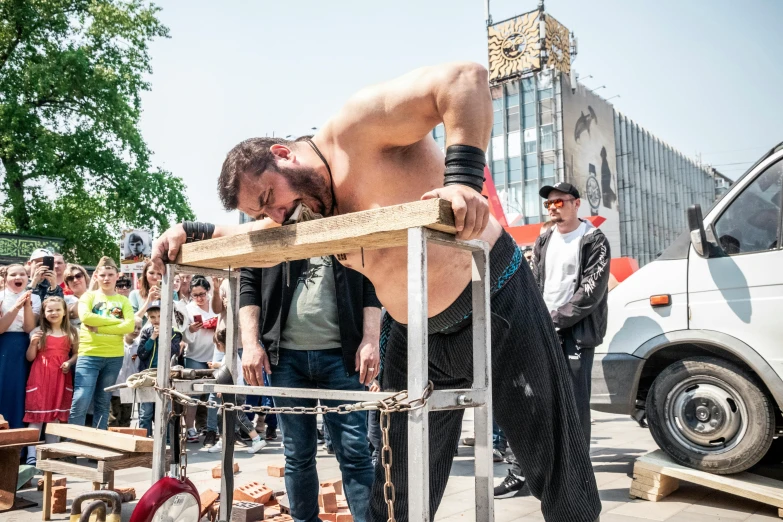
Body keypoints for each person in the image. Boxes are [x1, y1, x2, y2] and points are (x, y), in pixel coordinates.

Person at [152, 62, 601, 522]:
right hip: (412, 330)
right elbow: (259, 240)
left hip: (493, 296)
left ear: (283, 154)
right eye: (265, 209)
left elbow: (465, 79)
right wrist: (192, 231)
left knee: (555, 462)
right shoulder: (305, 208)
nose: (278, 213)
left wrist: (463, 184)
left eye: (269, 197)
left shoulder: (356, 127)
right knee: (396, 493)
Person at [238, 249, 380, 522]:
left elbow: (370, 277)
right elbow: (249, 279)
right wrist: (250, 342)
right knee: (297, 453)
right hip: (285, 356)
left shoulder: (343, 213)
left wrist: (371, 338)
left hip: (344, 353)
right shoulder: (274, 222)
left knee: (355, 452)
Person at [69, 256, 135, 430]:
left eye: (110, 274)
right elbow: (85, 317)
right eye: (103, 274)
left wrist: (100, 328)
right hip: (89, 354)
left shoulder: (123, 301)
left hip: (114, 356)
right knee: (81, 399)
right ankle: (71, 444)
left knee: (103, 402)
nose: (106, 278)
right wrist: (116, 323)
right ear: (96, 276)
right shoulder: (88, 297)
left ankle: (98, 443)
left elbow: (129, 325)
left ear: (117, 276)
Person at [24, 296, 79, 465]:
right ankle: (31, 456)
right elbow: (30, 357)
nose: (54, 313)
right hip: (40, 378)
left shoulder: (72, 332)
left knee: (54, 419)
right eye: (50, 310)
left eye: (57, 310)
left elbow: (77, 353)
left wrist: (69, 363)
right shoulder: (38, 332)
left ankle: (50, 456)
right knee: (36, 417)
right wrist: (33, 344)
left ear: (64, 312)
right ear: (44, 313)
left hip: (60, 379)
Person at [204, 328, 267, 454]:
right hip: (233, 390)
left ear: (220, 345)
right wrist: (217, 365)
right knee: (221, 415)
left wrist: (224, 389)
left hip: (234, 391)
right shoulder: (230, 355)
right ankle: (222, 440)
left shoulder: (229, 357)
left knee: (239, 416)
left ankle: (256, 439)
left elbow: (230, 374)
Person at [0, 265, 40, 429]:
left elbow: (29, 328)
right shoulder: (1, 296)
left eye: (22, 274)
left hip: (24, 345)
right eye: (13, 274)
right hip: (3, 344)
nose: (18, 277)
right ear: (5, 278)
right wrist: (16, 306)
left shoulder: (36, 298)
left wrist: (27, 305)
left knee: (20, 390)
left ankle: (20, 439)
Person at [136, 301, 182, 436]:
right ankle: (146, 442)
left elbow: (174, 351)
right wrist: (152, 338)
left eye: (159, 316)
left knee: (164, 412)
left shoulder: (175, 332)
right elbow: (142, 354)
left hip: (166, 376)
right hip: (148, 375)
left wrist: (163, 336)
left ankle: (165, 442)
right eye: (152, 317)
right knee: (146, 413)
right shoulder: (146, 332)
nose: (156, 320)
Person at [184, 276, 219, 446]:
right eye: (195, 295)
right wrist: (191, 329)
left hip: (215, 355)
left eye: (202, 294)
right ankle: (190, 428)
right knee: (193, 394)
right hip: (195, 355)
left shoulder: (215, 304)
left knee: (214, 393)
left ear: (208, 291)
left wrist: (215, 325)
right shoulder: (188, 309)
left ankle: (212, 428)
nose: (199, 298)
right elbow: (184, 334)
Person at [110, 317, 142, 428]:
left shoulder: (138, 347)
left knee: (126, 418)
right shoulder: (117, 343)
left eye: (139, 328)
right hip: (115, 387)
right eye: (133, 327)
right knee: (113, 418)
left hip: (129, 387)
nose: (136, 330)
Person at [64, 264, 90, 329]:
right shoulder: (65, 299)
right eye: (70, 278)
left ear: (85, 278)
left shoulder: (99, 295)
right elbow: (73, 313)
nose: (75, 280)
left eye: (78, 276)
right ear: (67, 284)